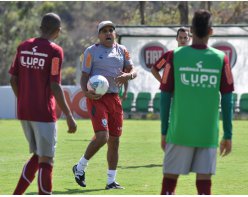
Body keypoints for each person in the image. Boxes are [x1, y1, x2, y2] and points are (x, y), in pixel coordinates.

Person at [159, 9, 234, 195]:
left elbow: (165, 95)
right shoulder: (221, 59)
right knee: (204, 187)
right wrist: (228, 134)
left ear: (191, 30)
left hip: (179, 131)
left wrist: (163, 131)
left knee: (169, 184)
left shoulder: (175, 55)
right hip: (207, 133)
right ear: (211, 31)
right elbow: (227, 99)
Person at [9, 13, 77, 195]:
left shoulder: (23, 47)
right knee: (46, 160)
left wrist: (23, 99)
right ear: (58, 30)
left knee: (39, 154)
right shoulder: (55, 51)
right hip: (43, 112)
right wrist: (70, 116)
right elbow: (55, 85)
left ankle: (17, 194)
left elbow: (13, 79)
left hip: (24, 111)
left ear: (40, 27)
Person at [72, 20, 137, 190]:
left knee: (114, 141)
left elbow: (133, 71)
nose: (108, 33)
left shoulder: (122, 50)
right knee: (102, 137)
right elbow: (84, 76)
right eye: (104, 31)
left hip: (114, 98)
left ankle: (111, 181)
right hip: (97, 98)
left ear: (114, 33)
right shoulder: (91, 51)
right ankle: (80, 167)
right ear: (99, 35)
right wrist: (86, 93)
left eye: (111, 30)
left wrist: (127, 77)